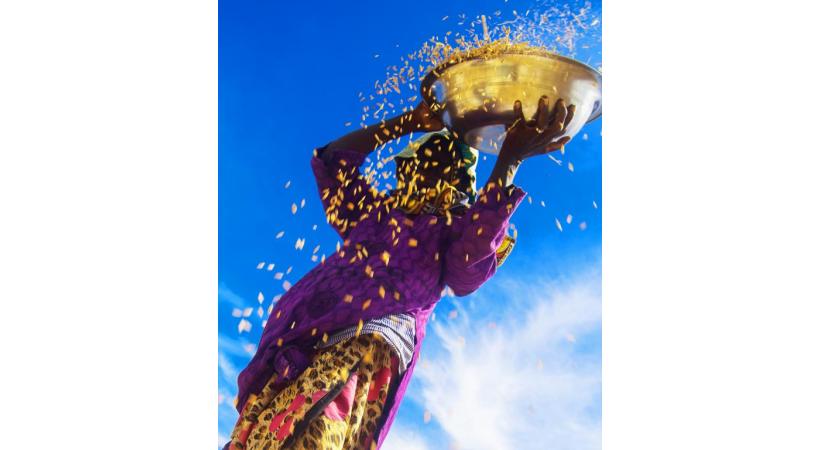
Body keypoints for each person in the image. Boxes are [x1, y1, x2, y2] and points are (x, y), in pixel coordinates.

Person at [226, 96, 576, 450]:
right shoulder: (373, 214)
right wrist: (407, 122)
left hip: (358, 347)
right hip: (293, 347)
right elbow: (332, 163)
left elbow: (468, 269)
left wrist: (509, 161)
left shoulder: (451, 228)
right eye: (412, 167)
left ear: (456, 185)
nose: (413, 175)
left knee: (309, 437)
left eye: (432, 167)